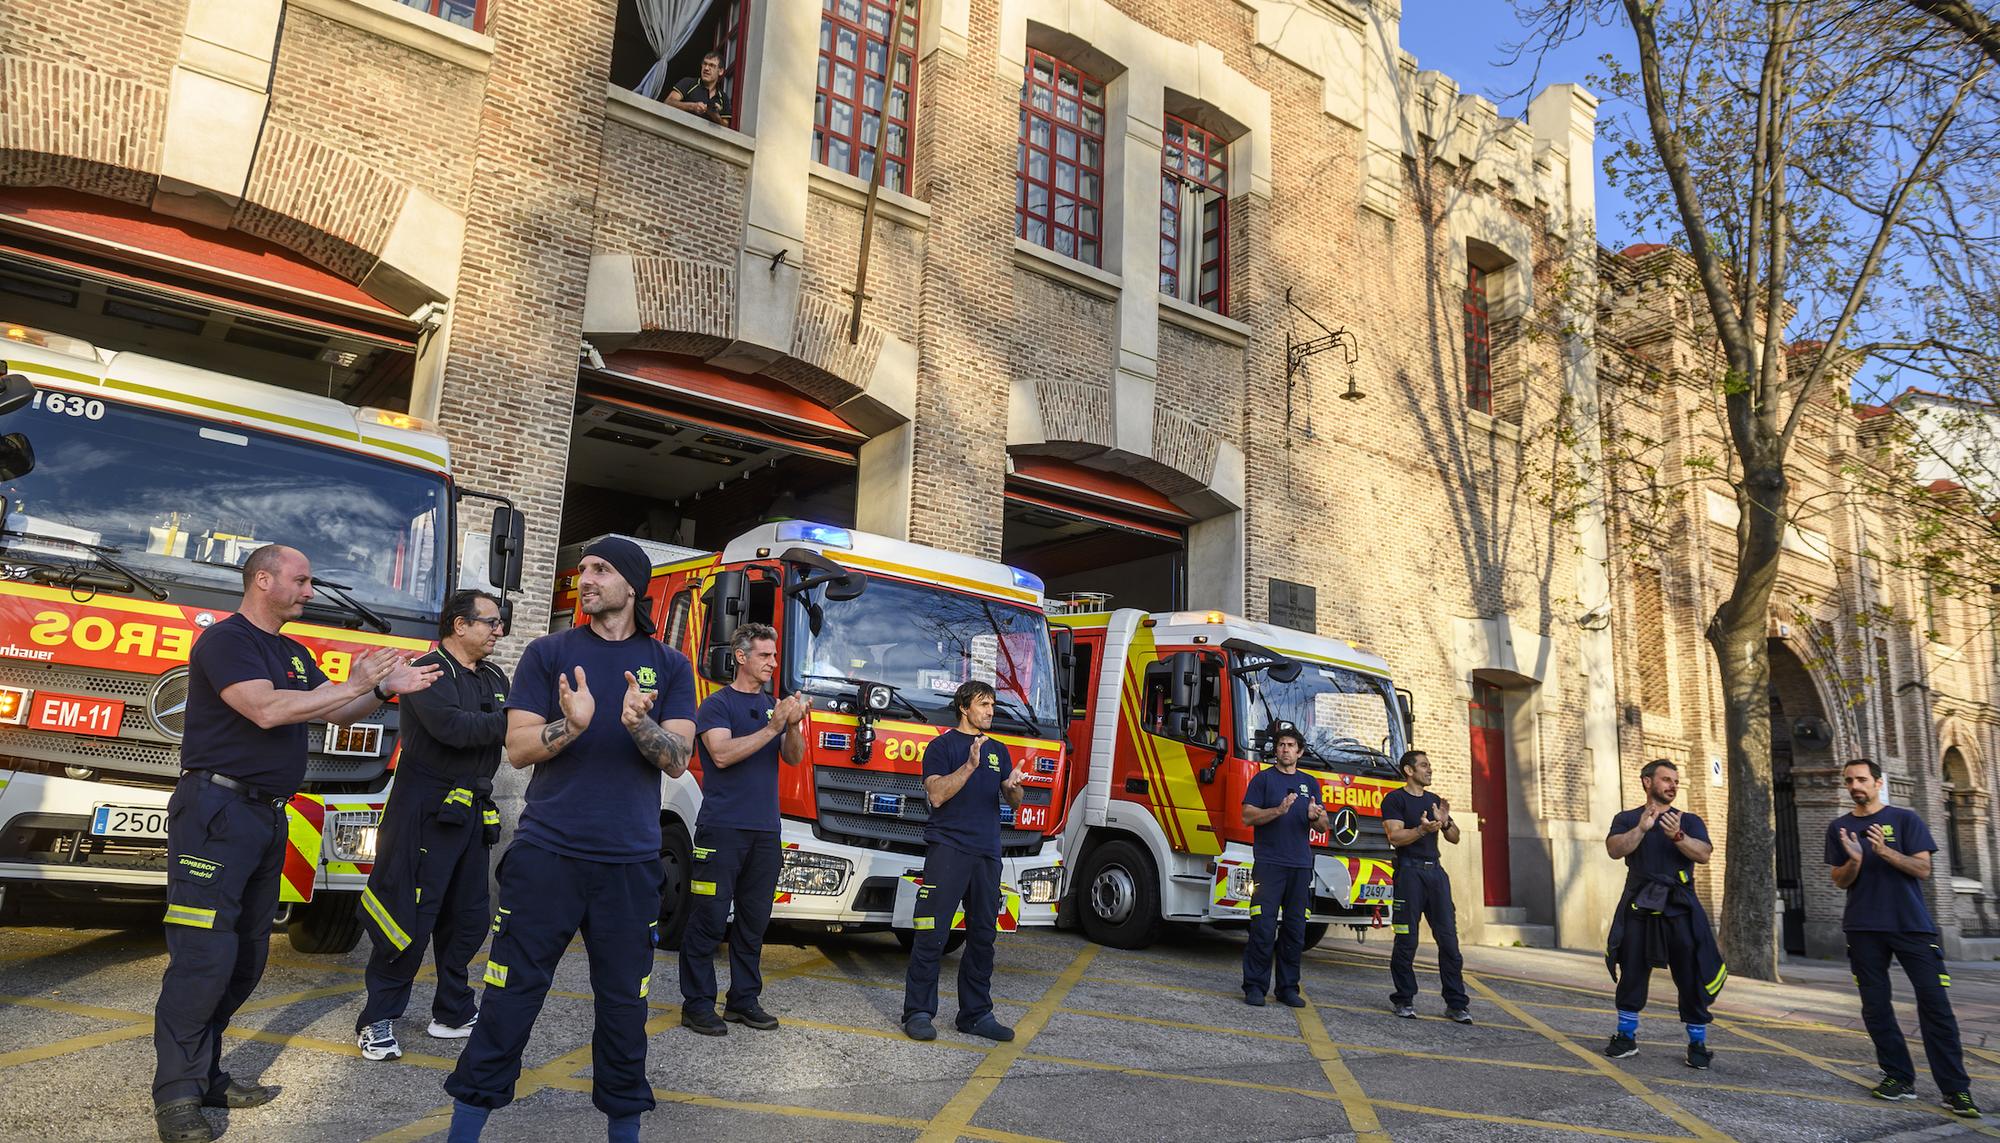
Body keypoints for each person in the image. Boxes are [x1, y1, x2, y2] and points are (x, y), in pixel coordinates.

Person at [153, 545, 437, 1143]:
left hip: (265, 817)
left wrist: (384, 690)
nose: (310, 591)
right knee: (203, 959)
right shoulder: (226, 642)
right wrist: (357, 681)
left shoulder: (291, 651)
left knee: (247, 957)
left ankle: (204, 1072)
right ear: (264, 579)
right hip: (216, 813)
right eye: (302, 580)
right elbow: (264, 710)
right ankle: (177, 1094)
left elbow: (334, 708)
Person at [442, 537, 696, 1143]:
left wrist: (640, 725)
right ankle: (464, 1131)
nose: (585, 579)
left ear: (631, 586)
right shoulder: (548, 651)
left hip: (631, 865)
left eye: (601, 570)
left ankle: (624, 1132)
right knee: (508, 998)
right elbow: (521, 747)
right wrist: (572, 725)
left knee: (624, 1010)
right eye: (583, 569)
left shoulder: (670, 664)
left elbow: (679, 759)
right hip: (548, 856)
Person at [355, 590, 512, 1061]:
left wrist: (511, 720)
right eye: (490, 622)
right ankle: (377, 1020)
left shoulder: (495, 677)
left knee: (467, 916)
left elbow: (493, 729)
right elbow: (457, 730)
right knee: (409, 915)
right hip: (424, 811)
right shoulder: (426, 672)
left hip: (471, 810)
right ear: (459, 626)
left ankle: (453, 1011)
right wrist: (516, 721)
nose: (498, 631)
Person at [1827, 758, 1980, 1118]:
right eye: (1849, 780)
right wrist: (1855, 862)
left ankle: (1956, 1090)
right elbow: (1839, 880)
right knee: (1876, 1006)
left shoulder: (1905, 819)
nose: (1854, 786)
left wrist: (1884, 852)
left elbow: (1922, 869)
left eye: (1861, 779)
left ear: (1879, 783)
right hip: (1863, 927)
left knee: (1935, 1006)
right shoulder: (1840, 827)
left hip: (1911, 926)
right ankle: (1898, 1077)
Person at [679, 622, 807, 1035]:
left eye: (774, 655)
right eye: (764, 656)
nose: (772, 662)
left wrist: (790, 726)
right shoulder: (716, 705)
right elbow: (720, 755)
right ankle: (697, 1004)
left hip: (764, 831)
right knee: (709, 919)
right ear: (741, 657)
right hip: (722, 830)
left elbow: (792, 758)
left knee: (755, 921)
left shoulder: (774, 706)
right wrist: (772, 726)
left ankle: (743, 1000)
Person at [902, 681, 1031, 1042]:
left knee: (982, 937)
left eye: (992, 704)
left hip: (988, 853)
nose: (990, 711)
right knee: (931, 931)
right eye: (983, 704)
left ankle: (975, 1014)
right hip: (949, 849)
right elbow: (937, 795)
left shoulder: (1000, 750)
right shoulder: (941, 747)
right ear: (964, 707)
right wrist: (971, 765)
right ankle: (918, 1012)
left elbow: (1014, 800)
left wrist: (1014, 786)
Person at [1603, 758, 1726, 1069]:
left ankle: (1697, 1043)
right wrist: (1642, 829)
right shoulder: (1627, 818)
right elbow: (1615, 850)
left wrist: (1678, 837)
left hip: (1678, 906)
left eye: (1675, 781)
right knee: (1632, 969)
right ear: (1647, 782)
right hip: (1639, 904)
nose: (1673, 785)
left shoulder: (1689, 820)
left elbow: (1705, 854)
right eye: (1666, 779)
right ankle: (1626, 1037)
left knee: (1690, 973)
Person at [1240, 725, 1329, 1007]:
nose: (1285, 749)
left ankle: (1288, 988)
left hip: (1300, 866)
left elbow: (1324, 825)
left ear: (1299, 752)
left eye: (1291, 745)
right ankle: (1255, 987)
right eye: (1281, 745)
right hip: (1269, 865)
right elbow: (1247, 816)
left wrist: (1316, 816)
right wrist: (1278, 811)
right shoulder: (1263, 780)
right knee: (1263, 928)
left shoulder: (1310, 783)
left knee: (1295, 930)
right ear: (1276, 750)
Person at [1380, 749, 1471, 1023]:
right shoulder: (1394, 800)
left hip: (1436, 875)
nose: (1429, 770)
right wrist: (1421, 830)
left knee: (1449, 942)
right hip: (1409, 874)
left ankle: (1456, 1004)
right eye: (1424, 765)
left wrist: (1444, 823)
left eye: (1429, 765)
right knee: (1407, 940)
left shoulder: (1434, 801)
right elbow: (1395, 836)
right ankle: (1404, 999)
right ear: (1409, 771)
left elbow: (1455, 837)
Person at [664, 50, 731, 127]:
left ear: (721, 71)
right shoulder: (688, 83)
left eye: (712, 65)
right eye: (705, 64)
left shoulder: (723, 98)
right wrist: (693, 106)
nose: (706, 68)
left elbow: (726, 125)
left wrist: (715, 116)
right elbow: (668, 102)